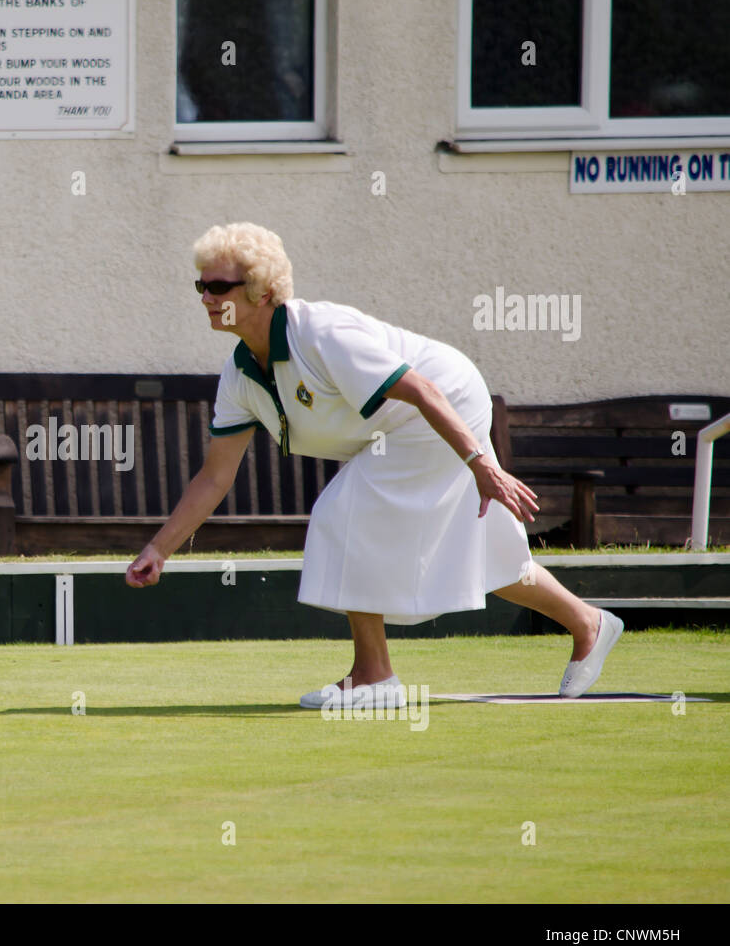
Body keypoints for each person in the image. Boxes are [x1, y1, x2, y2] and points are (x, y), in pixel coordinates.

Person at [124, 222, 623, 708]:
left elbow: (424, 390)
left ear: (260, 291)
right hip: (397, 427)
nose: (206, 298)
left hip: (442, 401)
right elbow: (215, 476)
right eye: (201, 286)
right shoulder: (238, 375)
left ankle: (373, 677)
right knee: (486, 550)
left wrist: (479, 463)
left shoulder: (321, 332)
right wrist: (159, 550)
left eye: (218, 287)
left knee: (343, 515)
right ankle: (588, 624)